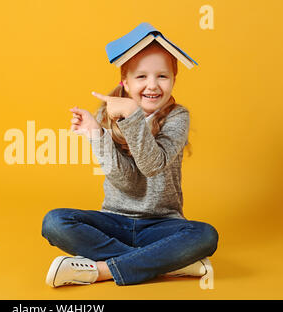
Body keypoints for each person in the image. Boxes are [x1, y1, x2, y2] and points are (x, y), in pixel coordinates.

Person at [41, 39, 219, 287]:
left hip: (162, 225)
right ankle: (164, 262)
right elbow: (127, 183)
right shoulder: (107, 114)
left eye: (163, 76)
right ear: (125, 81)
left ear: (174, 80)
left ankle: (102, 270)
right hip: (114, 221)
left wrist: (134, 116)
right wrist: (97, 133)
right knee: (54, 222)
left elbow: (152, 165)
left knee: (205, 235)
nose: (152, 85)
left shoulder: (178, 117)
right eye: (142, 76)